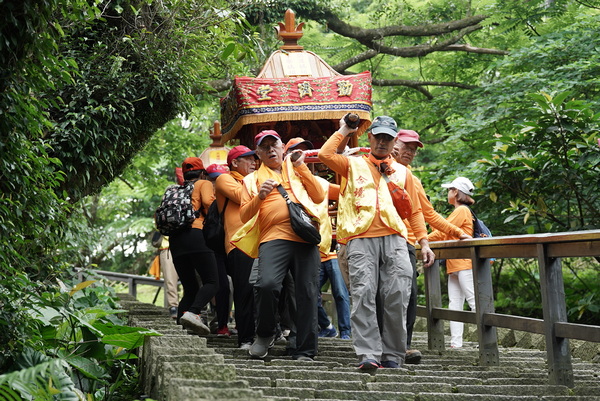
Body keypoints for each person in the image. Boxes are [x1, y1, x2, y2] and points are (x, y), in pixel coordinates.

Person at [319, 115, 435, 370]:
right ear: (370, 138)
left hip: (395, 237)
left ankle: (393, 355)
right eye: (378, 136)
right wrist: (346, 130)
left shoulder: (403, 172)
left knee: (397, 293)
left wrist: (424, 242)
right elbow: (326, 155)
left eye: (388, 138)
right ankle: (369, 354)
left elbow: (415, 211)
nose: (382, 142)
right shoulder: (352, 165)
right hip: (360, 238)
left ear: (394, 142)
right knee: (363, 294)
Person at [231, 130, 326, 361]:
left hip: (304, 236)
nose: (271, 150)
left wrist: (302, 167)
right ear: (258, 155)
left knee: (307, 292)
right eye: (265, 148)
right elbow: (244, 215)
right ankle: (265, 333)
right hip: (273, 237)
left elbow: (319, 195)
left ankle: (304, 349)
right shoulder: (251, 180)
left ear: (283, 148)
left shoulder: (296, 169)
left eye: (275, 145)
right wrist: (259, 197)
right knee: (266, 284)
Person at [392, 129, 471, 363]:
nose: (410, 152)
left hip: (404, 241)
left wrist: (458, 234)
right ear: (393, 143)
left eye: (414, 149)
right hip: (375, 237)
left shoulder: (411, 179)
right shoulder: (371, 167)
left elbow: (427, 214)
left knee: (408, 293)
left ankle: (402, 345)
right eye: (406, 146)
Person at [284, 137, 351, 341]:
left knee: (339, 293)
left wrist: (348, 167)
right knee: (303, 295)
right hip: (293, 246)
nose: (303, 157)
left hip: (326, 250)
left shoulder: (321, 183)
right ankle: (312, 330)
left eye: (306, 152)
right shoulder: (282, 184)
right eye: (297, 152)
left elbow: (346, 193)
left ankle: (345, 332)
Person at [169, 157, 219, 335]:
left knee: (190, 288)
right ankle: (194, 312)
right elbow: (209, 204)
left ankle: (181, 331)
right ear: (202, 172)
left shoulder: (175, 190)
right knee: (212, 281)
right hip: (196, 235)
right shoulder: (202, 184)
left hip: (175, 242)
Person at [215, 145, 258, 349]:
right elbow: (243, 197)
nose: (254, 163)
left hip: (260, 241)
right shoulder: (225, 179)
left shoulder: (256, 179)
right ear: (234, 163)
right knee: (244, 291)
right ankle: (246, 338)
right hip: (238, 243)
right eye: (248, 159)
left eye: (254, 159)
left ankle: (270, 331)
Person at [428, 176, 476, 348]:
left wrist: (420, 240)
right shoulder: (457, 212)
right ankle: (456, 343)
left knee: (473, 301)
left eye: (449, 190)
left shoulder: (462, 210)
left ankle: (487, 339)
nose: (448, 192)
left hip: (464, 263)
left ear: (455, 192)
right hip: (455, 264)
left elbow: (442, 232)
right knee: (455, 303)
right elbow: (443, 230)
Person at [205, 163, 232, 336]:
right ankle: (221, 324)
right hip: (216, 249)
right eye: (213, 180)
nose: (217, 183)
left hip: (233, 246)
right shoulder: (209, 200)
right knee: (223, 286)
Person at [151, 232, 179, 319]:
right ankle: (173, 306)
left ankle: (191, 308)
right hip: (168, 249)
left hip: (189, 244)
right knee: (170, 280)